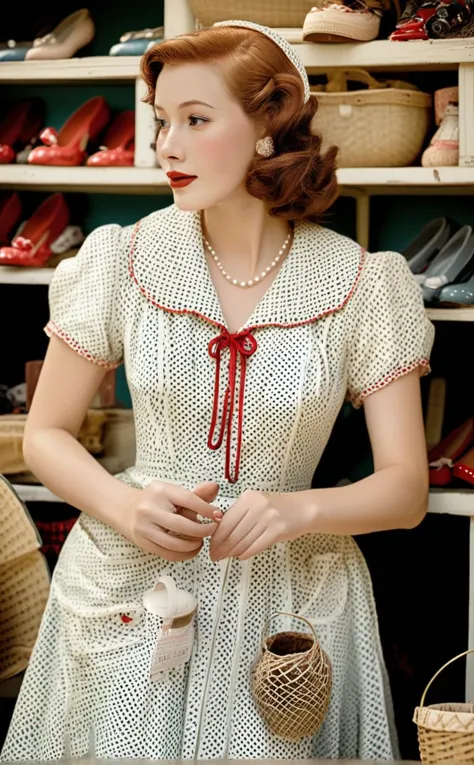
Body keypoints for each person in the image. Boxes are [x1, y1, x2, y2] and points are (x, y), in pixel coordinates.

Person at [1, 20, 434, 761]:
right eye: (163, 120)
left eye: (196, 121)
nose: (166, 144)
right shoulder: (122, 258)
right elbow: (44, 435)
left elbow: (406, 491)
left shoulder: (364, 283)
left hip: (291, 600)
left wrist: (299, 507)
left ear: (269, 125)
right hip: (134, 585)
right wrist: (126, 504)